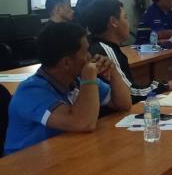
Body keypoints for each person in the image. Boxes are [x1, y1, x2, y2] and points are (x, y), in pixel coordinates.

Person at [4, 22, 132, 155]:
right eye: (86, 52)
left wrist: (113, 71)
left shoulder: (76, 79)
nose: (90, 56)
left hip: (63, 152)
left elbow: (124, 104)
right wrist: (89, 77)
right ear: (66, 63)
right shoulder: (30, 92)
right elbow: (83, 123)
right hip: (26, 163)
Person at [85, 0, 172, 104]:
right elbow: (131, 93)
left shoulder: (100, 46)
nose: (128, 23)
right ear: (113, 22)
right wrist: (166, 85)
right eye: (125, 17)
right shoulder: (105, 50)